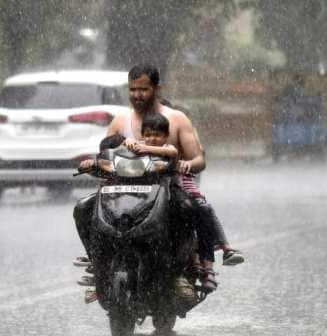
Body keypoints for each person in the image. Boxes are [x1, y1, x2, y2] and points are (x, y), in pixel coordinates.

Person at [73, 63, 243, 291]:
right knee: (83, 209)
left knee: (192, 209)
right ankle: (98, 262)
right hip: (121, 189)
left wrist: (186, 164)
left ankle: (192, 264)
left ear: (157, 89)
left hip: (165, 188)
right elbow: (105, 156)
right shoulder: (119, 121)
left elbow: (198, 160)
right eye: (133, 90)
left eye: (143, 89)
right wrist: (92, 165)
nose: (137, 95)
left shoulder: (178, 119)